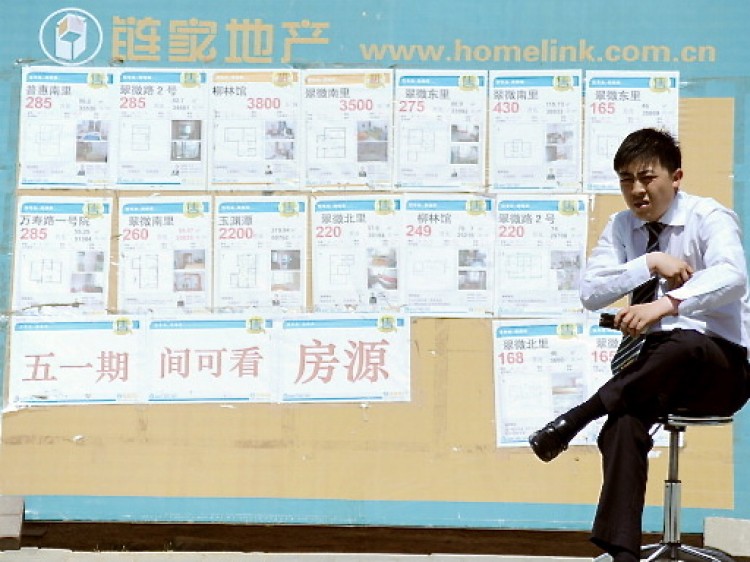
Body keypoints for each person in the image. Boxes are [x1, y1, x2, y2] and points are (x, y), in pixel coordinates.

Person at [528, 127, 750, 562]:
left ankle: (577, 416)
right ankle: (622, 553)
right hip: (655, 368)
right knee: (623, 422)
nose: (636, 190)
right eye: (626, 179)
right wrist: (648, 262)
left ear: (676, 175)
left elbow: (732, 275)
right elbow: (591, 291)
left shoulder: (710, 218)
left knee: (685, 342)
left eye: (646, 177)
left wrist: (665, 304)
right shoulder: (621, 227)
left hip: (720, 367)